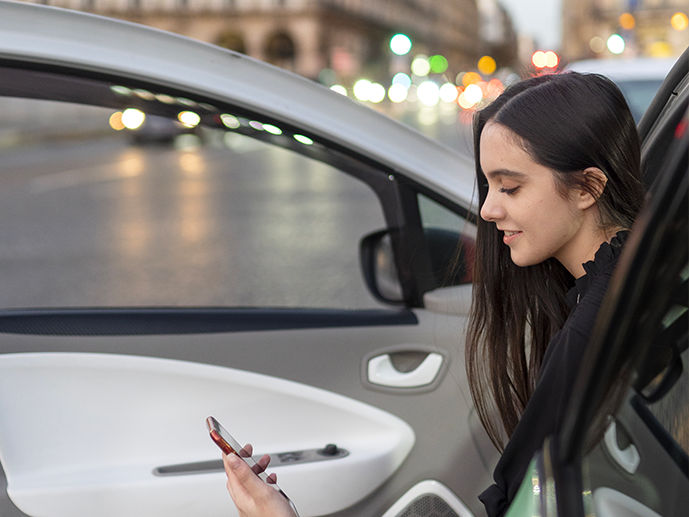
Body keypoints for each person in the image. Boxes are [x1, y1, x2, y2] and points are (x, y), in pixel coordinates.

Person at [220, 71, 646, 517]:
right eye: (489, 185)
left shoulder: (592, 332)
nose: (487, 209)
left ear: (587, 188)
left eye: (511, 187)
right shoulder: (621, 290)